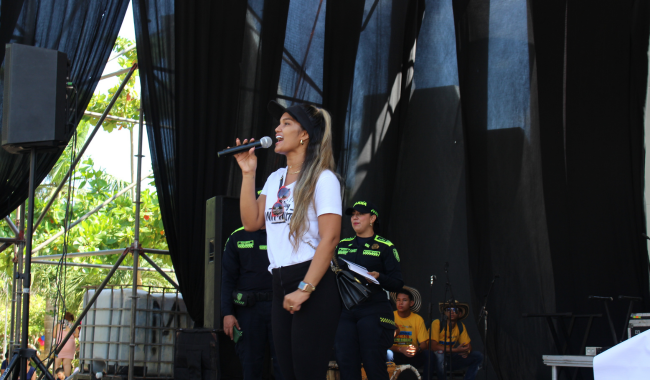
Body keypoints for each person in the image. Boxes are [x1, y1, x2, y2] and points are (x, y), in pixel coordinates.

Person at [233, 100, 343, 380]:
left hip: (311, 280)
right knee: (288, 372)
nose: (277, 128)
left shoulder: (323, 178)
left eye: (286, 123)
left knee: (307, 372)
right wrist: (248, 173)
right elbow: (251, 222)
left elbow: (330, 239)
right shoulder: (276, 178)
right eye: (279, 123)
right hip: (279, 281)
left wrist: (306, 288)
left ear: (304, 133)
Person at [334, 200, 404, 380]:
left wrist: (379, 277)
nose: (355, 217)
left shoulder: (385, 246)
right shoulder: (342, 245)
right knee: (346, 363)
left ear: (372, 218)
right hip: (346, 310)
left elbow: (397, 283)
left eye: (360, 214)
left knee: (374, 363)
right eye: (353, 214)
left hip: (373, 308)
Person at [221, 210, 283, 380]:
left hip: (279, 306)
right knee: (250, 363)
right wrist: (227, 312)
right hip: (248, 309)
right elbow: (227, 278)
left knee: (284, 363)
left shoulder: (282, 233)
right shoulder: (237, 237)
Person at [428, 301, 483, 380]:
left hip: (450, 358)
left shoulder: (460, 326)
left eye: (455, 309)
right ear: (445, 313)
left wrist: (466, 351)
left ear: (460, 314)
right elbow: (433, 346)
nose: (452, 312)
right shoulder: (437, 323)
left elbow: (468, 346)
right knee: (440, 354)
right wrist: (456, 350)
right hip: (435, 360)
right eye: (449, 309)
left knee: (478, 356)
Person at [390, 288, 429, 368]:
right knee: (387, 353)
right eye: (398, 300)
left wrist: (416, 349)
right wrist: (401, 349)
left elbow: (424, 344)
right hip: (396, 352)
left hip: (412, 354)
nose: (400, 303)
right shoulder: (390, 316)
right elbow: (383, 343)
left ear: (411, 303)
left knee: (429, 354)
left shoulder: (418, 319)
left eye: (404, 300)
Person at [54, 312, 78, 377]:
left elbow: (53, 335)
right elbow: (77, 335)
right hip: (69, 346)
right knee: (67, 364)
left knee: (57, 364)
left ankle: (56, 378)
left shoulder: (59, 324)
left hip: (60, 345)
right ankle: (67, 378)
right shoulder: (72, 325)